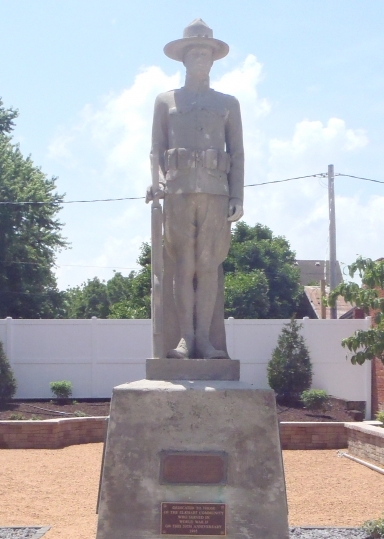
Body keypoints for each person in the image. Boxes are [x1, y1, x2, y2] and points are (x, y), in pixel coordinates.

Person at [149, 19, 244, 359]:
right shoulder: (165, 100)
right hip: (178, 192)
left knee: (208, 267)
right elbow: (156, 150)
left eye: (206, 54)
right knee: (182, 265)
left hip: (216, 194)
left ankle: (204, 339)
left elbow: (238, 152)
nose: (201, 59)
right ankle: (185, 340)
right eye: (195, 54)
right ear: (184, 59)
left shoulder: (228, 103)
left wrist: (237, 196)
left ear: (213, 60)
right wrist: (158, 181)